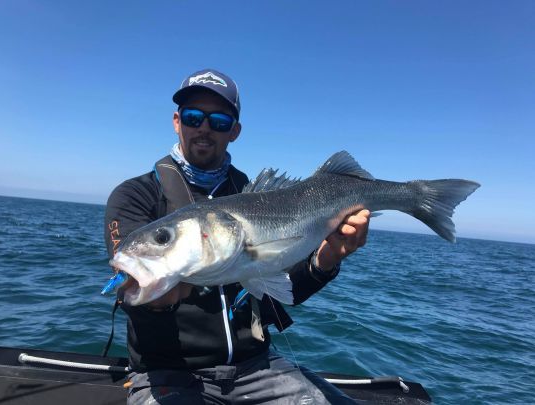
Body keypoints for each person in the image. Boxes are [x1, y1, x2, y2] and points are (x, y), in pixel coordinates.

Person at [104, 68, 371, 404]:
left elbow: (283, 290)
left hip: (257, 367)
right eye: (192, 116)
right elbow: (132, 290)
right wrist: (156, 290)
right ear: (176, 121)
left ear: (235, 131)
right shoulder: (134, 196)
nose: (203, 127)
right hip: (167, 372)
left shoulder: (254, 197)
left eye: (218, 121)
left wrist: (329, 258)